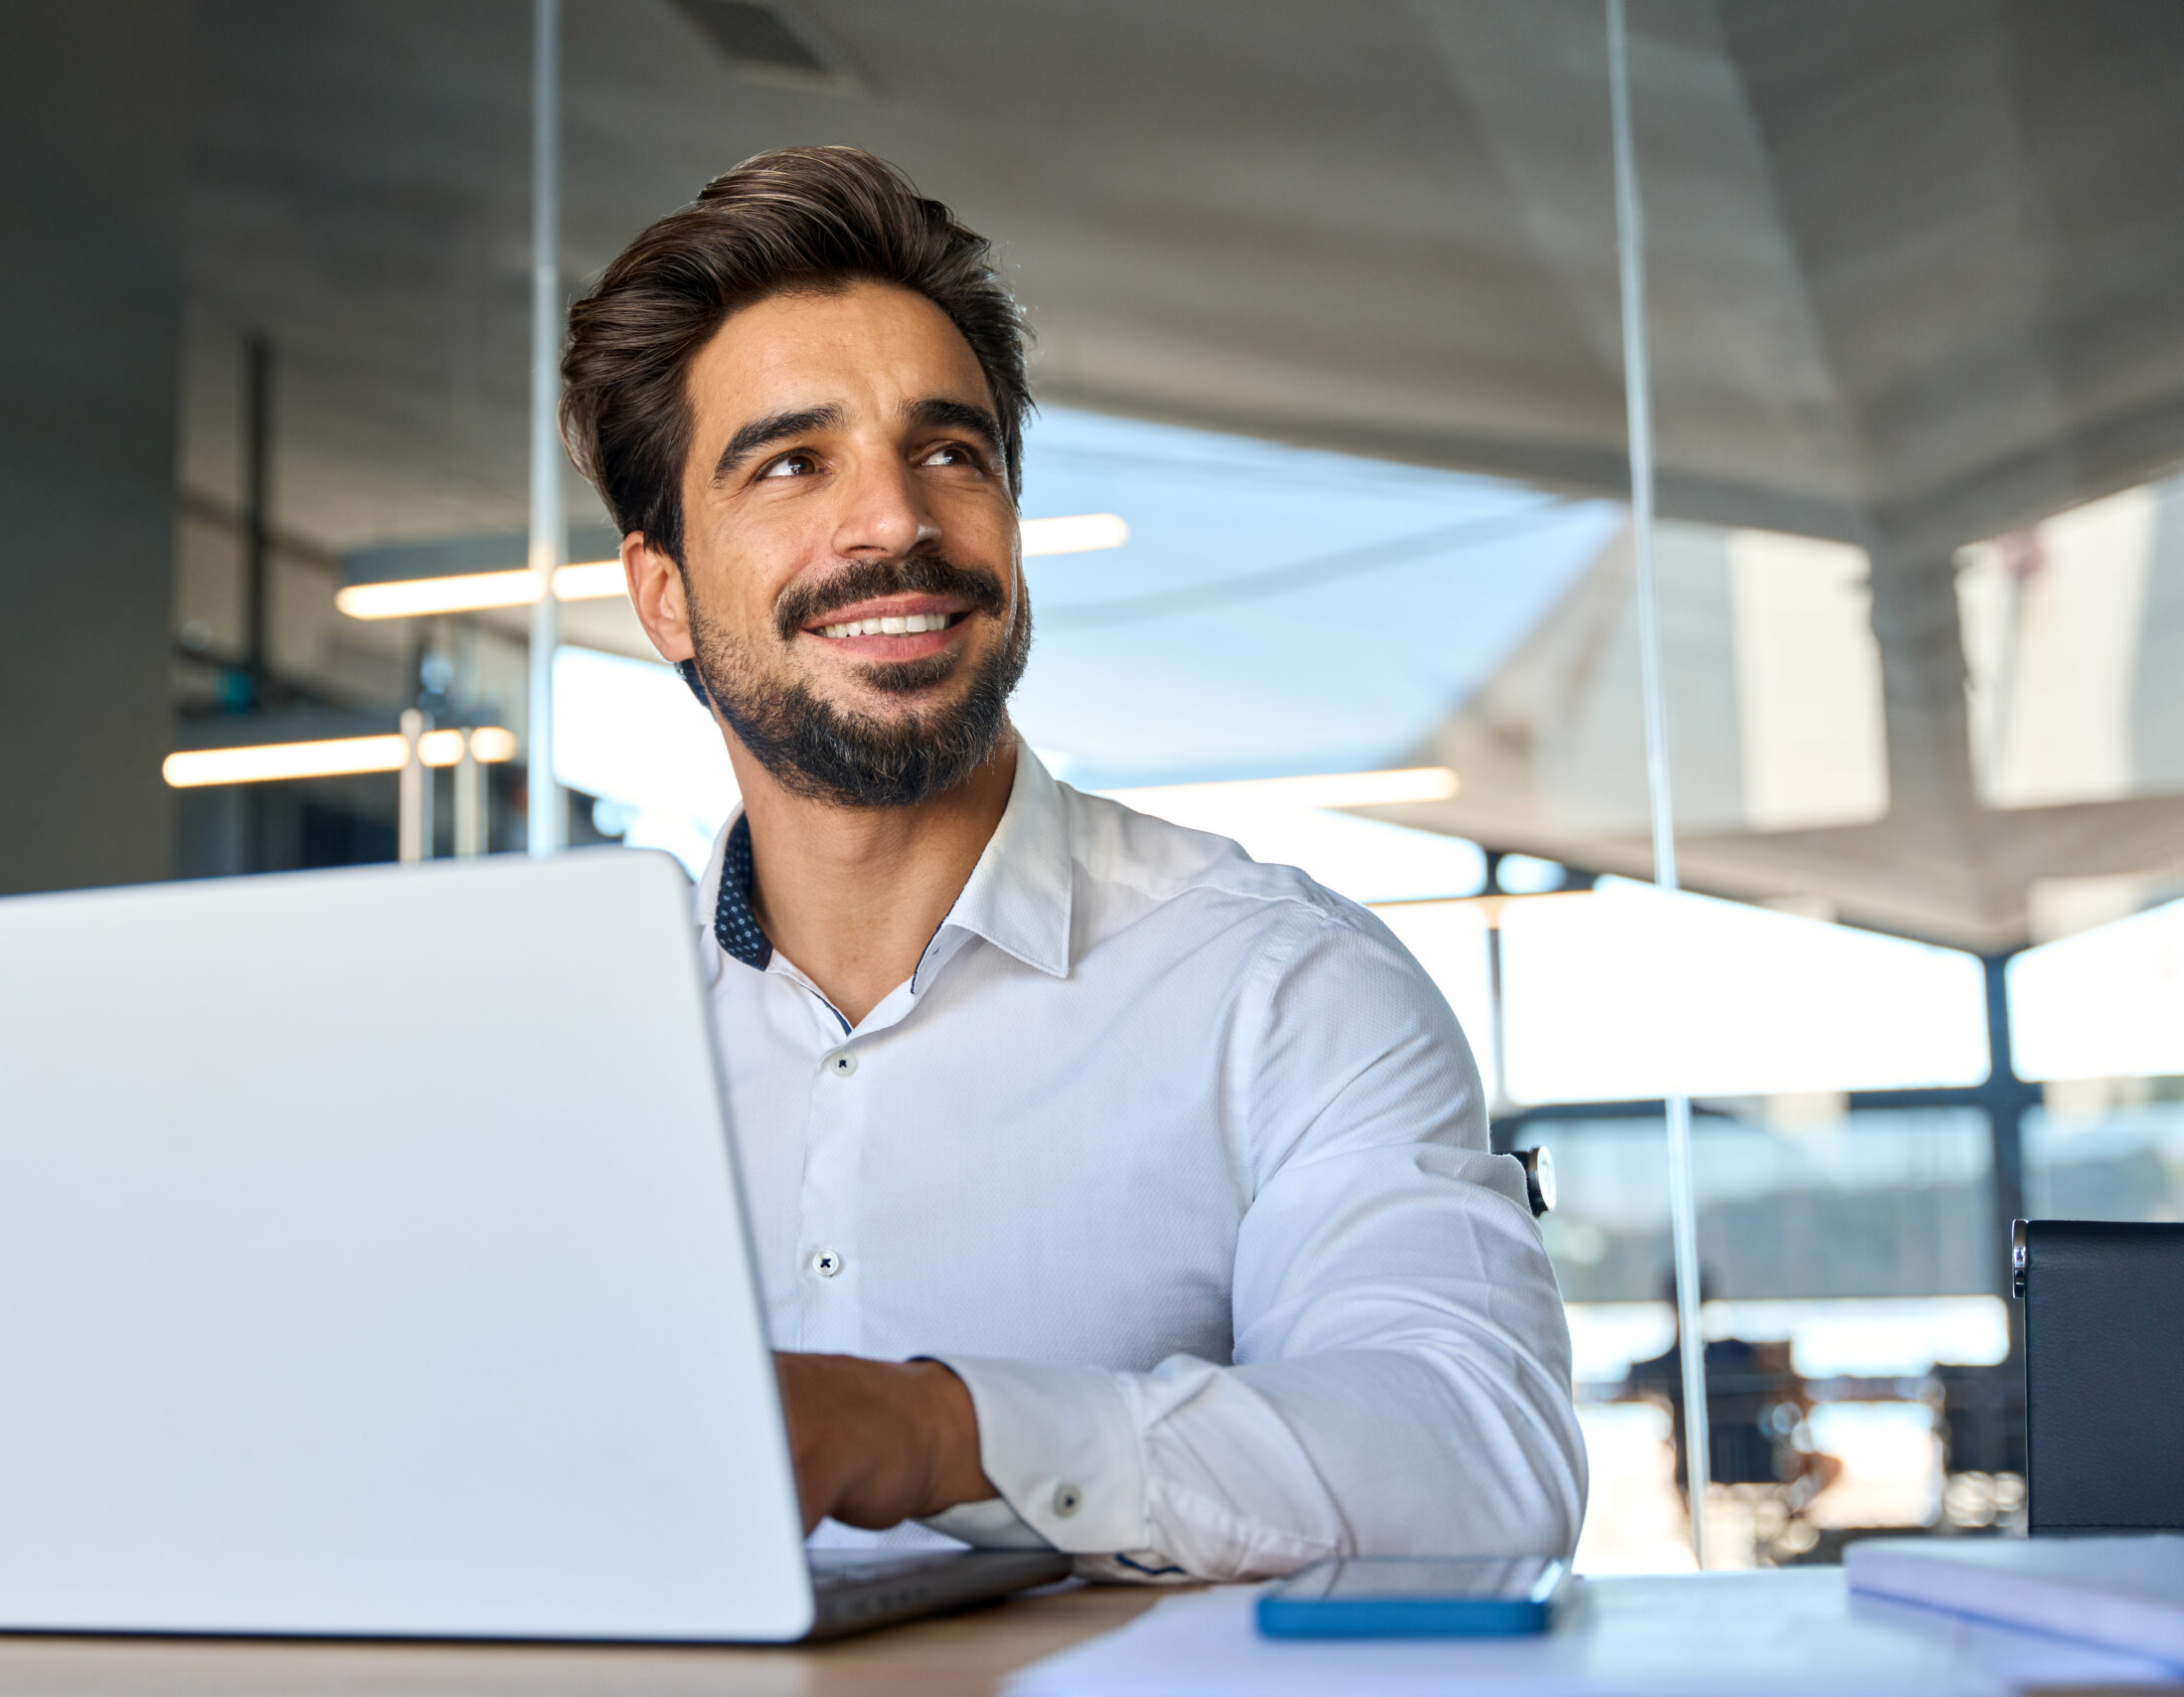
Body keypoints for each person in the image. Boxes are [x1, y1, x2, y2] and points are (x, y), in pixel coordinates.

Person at [561, 145, 1586, 1582]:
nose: (898, 523)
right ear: (662, 593)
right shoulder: (571, 1050)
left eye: (950, 453)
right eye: (795, 463)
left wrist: (941, 1431)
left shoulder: (1283, 989)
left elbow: (1482, 1455)